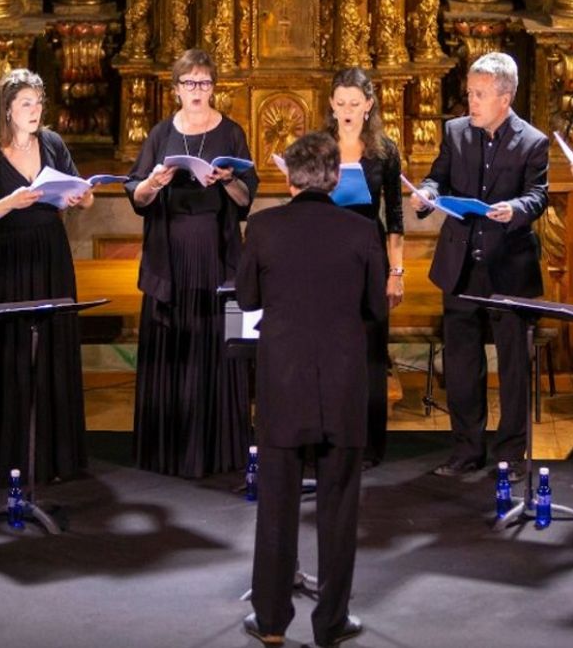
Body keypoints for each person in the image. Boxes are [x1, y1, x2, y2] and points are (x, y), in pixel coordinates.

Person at [237, 131, 384, 648]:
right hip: (343, 382)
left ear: (288, 175)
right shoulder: (361, 232)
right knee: (339, 506)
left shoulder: (262, 227)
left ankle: (272, 621)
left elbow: (247, 296)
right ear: (335, 177)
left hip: (283, 380)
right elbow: (376, 308)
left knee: (276, 503)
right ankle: (331, 623)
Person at [411, 52, 550, 482]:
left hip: (508, 265)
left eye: (480, 94)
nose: (470, 101)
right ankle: (466, 450)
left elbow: (538, 194)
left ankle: (511, 454)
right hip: (461, 265)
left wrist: (516, 209)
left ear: (505, 98)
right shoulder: (455, 132)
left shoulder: (532, 142)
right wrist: (426, 195)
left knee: (511, 365)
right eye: (470, 93)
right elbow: (438, 177)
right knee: (462, 363)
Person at [125, 48, 259, 478]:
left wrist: (229, 180)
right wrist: (152, 182)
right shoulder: (161, 133)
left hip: (216, 253)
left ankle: (218, 448)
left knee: (217, 344)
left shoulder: (232, 133)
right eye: (189, 83)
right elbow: (138, 197)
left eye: (204, 82)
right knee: (175, 347)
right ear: (176, 89)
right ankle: (168, 449)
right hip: (171, 255)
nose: (197, 91)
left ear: (213, 87)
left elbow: (246, 200)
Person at [0, 69, 93, 486]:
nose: (35, 111)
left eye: (38, 103)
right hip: (11, 259)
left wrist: (80, 196)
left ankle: (57, 459)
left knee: (53, 347)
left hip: (51, 254)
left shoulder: (52, 143)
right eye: (26, 104)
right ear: (6, 109)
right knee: (14, 352)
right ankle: (10, 457)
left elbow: (83, 194)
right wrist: (11, 201)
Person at [324, 67, 405, 467]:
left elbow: (395, 215)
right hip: (325, 251)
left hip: (369, 250)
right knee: (328, 348)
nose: (347, 111)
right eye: (340, 104)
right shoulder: (319, 146)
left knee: (371, 351)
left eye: (354, 104)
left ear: (369, 105)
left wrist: (396, 272)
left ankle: (369, 444)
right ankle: (328, 437)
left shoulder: (385, 150)